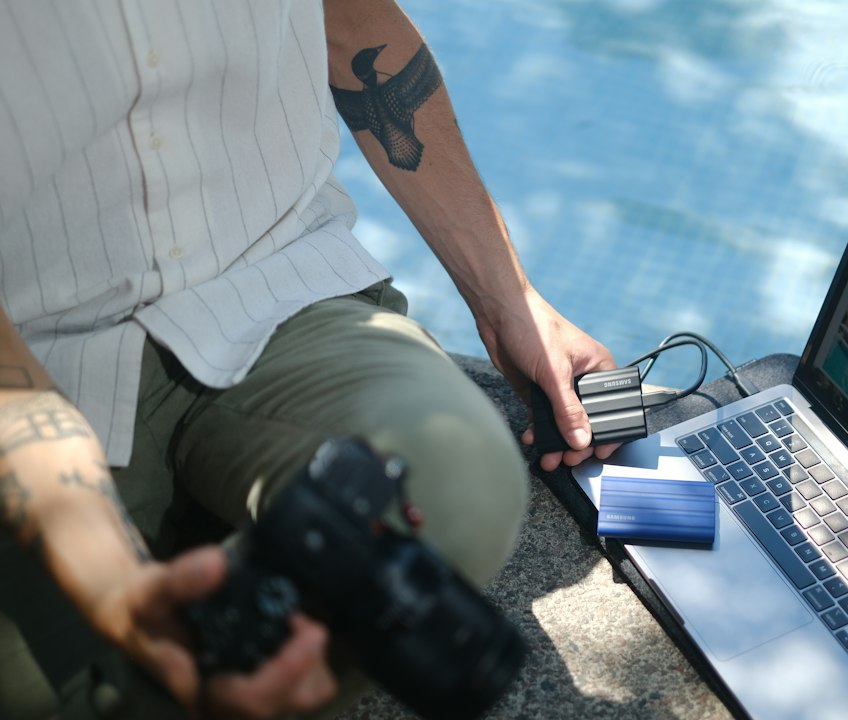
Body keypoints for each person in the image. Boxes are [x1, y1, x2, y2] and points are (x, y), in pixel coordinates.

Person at [0, 1, 617, 717]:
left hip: (276, 280)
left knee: (456, 481)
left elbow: (355, 23)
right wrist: (110, 586)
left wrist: (510, 302)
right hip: (39, 342)